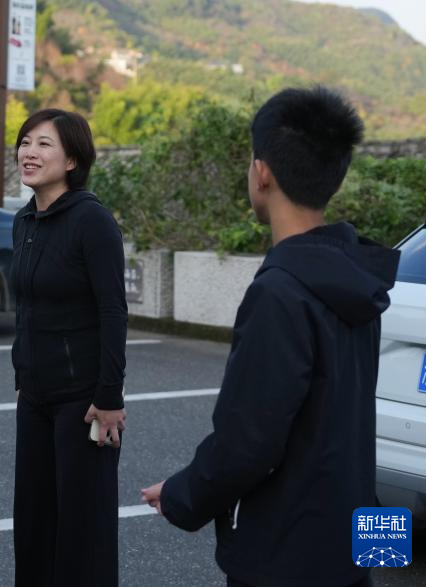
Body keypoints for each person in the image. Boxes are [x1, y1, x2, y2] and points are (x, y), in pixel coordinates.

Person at [141, 87, 401, 587]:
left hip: (285, 555)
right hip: (349, 545)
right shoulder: (359, 278)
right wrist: (378, 552)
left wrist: (180, 495)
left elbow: (248, 443)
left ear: (262, 173)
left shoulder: (280, 291)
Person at [11, 109, 128, 587]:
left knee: (82, 529)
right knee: (34, 523)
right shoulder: (25, 222)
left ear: (73, 159)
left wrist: (109, 398)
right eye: (24, 142)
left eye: (43, 144)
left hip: (84, 401)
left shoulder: (92, 221)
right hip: (34, 396)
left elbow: (113, 312)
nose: (29, 153)